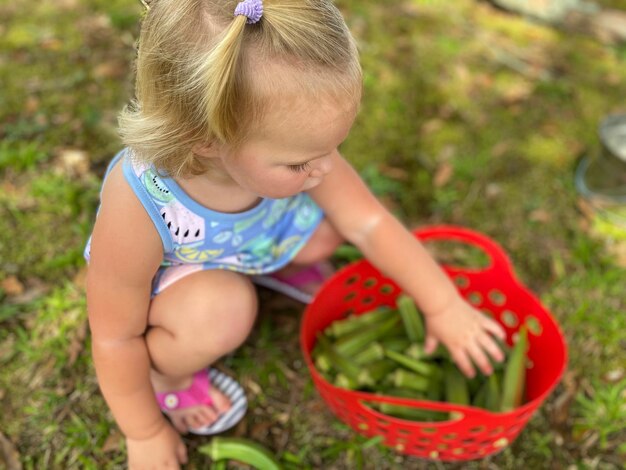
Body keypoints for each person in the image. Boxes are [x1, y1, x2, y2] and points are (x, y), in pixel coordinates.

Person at [85, 0, 506, 467]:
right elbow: (114, 336)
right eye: (300, 161)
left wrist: (443, 305)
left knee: (332, 229)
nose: (326, 167)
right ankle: (171, 377)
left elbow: (368, 223)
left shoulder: (283, 149)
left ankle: (269, 266)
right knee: (225, 309)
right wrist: (142, 432)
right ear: (205, 139)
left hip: (252, 237)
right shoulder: (138, 204)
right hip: (180, 280)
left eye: (333, 148)